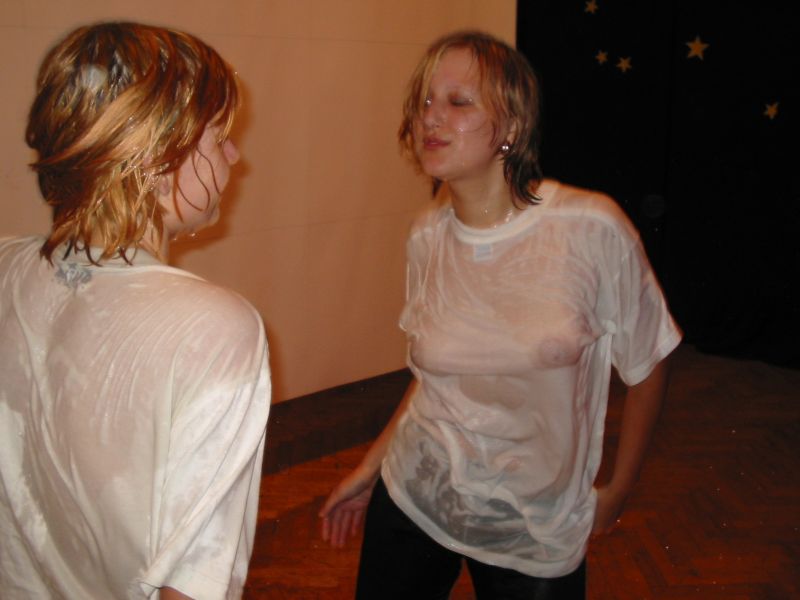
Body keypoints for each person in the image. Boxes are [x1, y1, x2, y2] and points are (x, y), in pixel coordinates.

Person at [320, 30, 681, 599]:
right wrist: (369, 470)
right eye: (425, 102)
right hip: (417, 496)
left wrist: (618, 489)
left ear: (512, 126)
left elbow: (649, 362)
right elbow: (434, 382)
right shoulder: (426, 236)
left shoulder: (589, 227)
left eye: (458, 102)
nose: (430, 117)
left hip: (535, 528)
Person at [0, 22, 270, 599]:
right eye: (219, 137)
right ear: (155, 155)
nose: (235, 155)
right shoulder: (215, 327)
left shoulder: (6, 264)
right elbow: (194, 579)